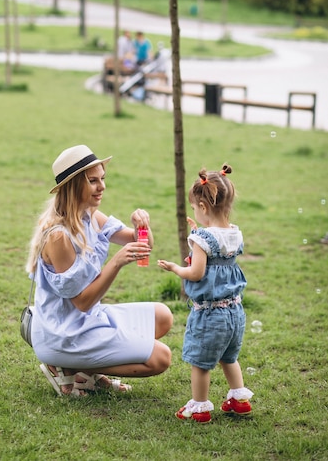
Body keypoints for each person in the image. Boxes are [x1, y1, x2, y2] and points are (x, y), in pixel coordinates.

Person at [25, 144, 173, 397]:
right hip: (63, 333)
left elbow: (143, 245)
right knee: (161, 357)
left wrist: (142, 226)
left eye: (102, 178)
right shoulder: (59, 235)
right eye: (93, 181)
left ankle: (84, 372)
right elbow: (82, 302)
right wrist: (115, 263)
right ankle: (66, 365)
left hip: (88, 319)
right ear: (73, 186)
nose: (102, 186)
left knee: (163, 316)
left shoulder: (90, 215)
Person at [158, 164, 253, 423]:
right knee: (228, 357)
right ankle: (239, 400)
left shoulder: (201, 238)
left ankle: (199, 407)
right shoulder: (234, 233)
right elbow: (217, 251)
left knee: (200, 363)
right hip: (235, 311)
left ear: (203, 207)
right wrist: (197, 232)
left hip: (210, 314)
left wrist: (176, 268)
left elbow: (197, 272)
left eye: (194, 207)